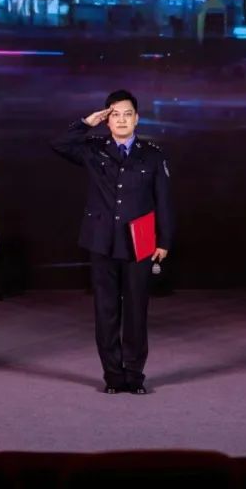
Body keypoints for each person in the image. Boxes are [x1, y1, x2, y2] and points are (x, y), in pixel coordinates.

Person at [51, 90, 174, 394]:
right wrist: (86, 123)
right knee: (106, 311)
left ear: (137, 118)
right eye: (115, 114)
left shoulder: (152, 154)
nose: (121, 120)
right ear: (107, 119)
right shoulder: (94, 149)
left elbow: (164, 201)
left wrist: (164, 240)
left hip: (140, 241)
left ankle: (134, 375)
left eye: (127, 114)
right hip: (101, 240)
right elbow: (59, 144)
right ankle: (113, 377)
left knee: (136, 311)